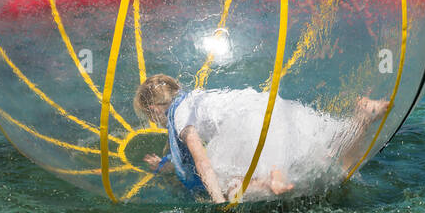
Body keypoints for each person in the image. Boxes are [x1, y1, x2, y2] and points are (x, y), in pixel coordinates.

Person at [134, 73, 391, 203]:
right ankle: (362, 118)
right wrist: (166, 165)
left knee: (227, 182)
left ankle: (270, 182)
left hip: (250, 125)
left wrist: (219, 202)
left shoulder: (180, 114)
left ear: (154, 109)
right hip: (271, 106)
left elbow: (201, 162)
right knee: (331, 147)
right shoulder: (198, 97)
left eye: (150, 115)